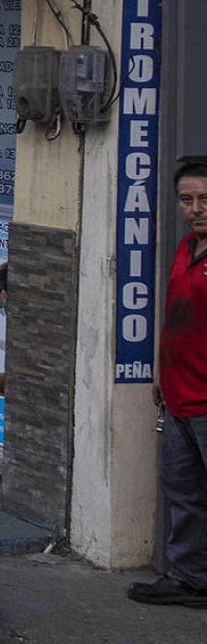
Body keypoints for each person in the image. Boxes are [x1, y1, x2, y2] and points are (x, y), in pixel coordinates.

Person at [130, 157, 207, 607]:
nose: (196, 208)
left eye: (204, 199)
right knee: (184, 492)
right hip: (177, 396)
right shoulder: (185, 248)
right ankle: (190, 578)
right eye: (187, 199)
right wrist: (163, 374)